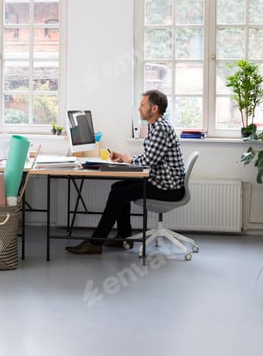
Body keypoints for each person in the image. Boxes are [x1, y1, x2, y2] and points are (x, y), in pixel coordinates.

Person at [65, 89, 185, 255]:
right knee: (117, 188)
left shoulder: (160, 129)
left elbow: (149, 161)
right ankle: (123, 236)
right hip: (160, 181)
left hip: (167, 188)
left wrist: (129, 160)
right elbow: (150, 156)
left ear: (154, 109)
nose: (139, 108)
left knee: (118, 194)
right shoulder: (156, 127)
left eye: (142, 105)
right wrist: (123, 156)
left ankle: (95, 242)